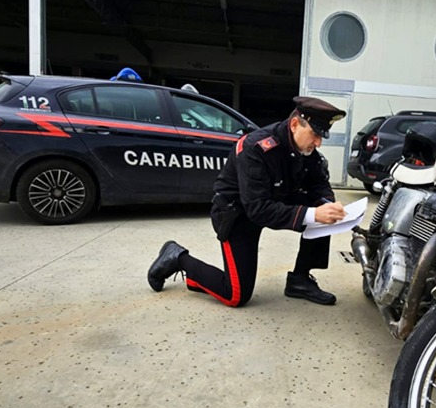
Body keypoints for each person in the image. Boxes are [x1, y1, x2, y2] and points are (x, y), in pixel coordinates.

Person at [147, 96, 348, 306]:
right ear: (295, 124)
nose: (318, 143)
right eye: (315, 134)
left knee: (322, 212)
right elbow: (258, 209)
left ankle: (300, 280)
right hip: (238, 213)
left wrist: (328, 204)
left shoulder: (306, 149)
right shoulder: (255, 148)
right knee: (235, 295)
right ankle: (178, 257)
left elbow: (318, 183)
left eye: (321, 136)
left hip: (273, 201)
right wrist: (313, 214)